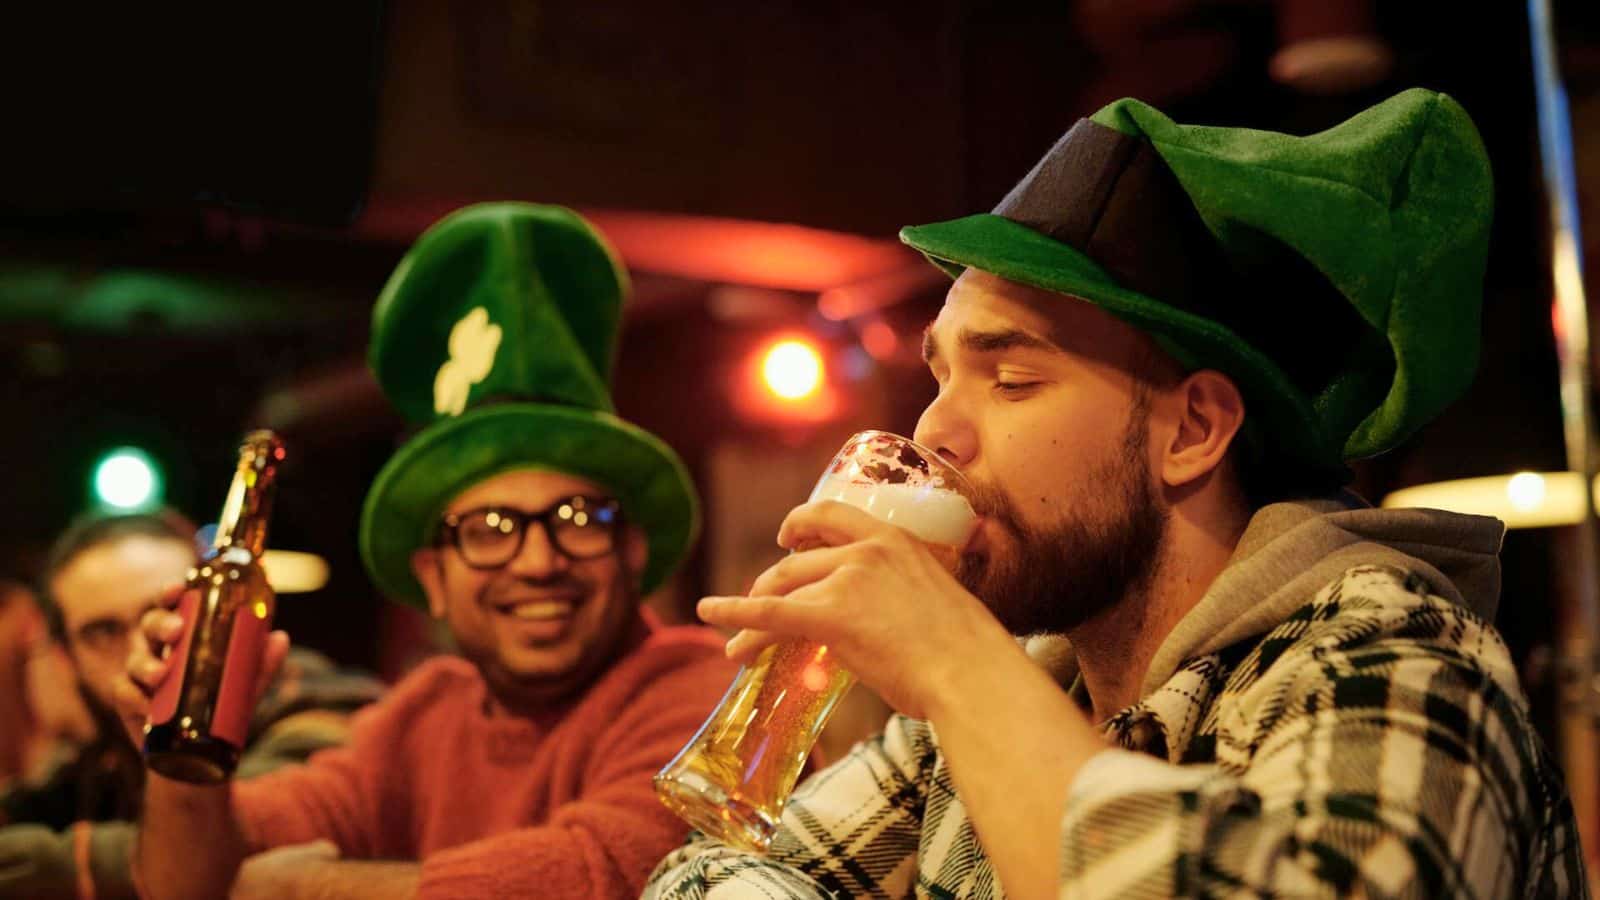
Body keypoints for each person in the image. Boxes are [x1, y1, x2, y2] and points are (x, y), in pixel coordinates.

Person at [645, 89, 1587, 899]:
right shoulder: (1023, 685)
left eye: (1010, 380)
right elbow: (699, 870)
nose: (935, 431)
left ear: (1192, 432)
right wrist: (970, 677)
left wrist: (955, 663)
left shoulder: (1396, 653)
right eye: (938, 379)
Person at [114, 203, 738, 899]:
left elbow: (610, 878)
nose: (537, 562)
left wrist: (300, 891)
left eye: (579, 518)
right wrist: (181, 757)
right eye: (489, 529)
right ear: (433, 576)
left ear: (631, 549)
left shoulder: (711, 694)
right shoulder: (423, 717)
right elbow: (188, 880)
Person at [0, 510, 383, 900]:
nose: (142, 648)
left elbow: (228, 842)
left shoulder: (314, 701)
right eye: (105, 631)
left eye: (169, 612)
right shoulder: (103, 760)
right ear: (67, 659)